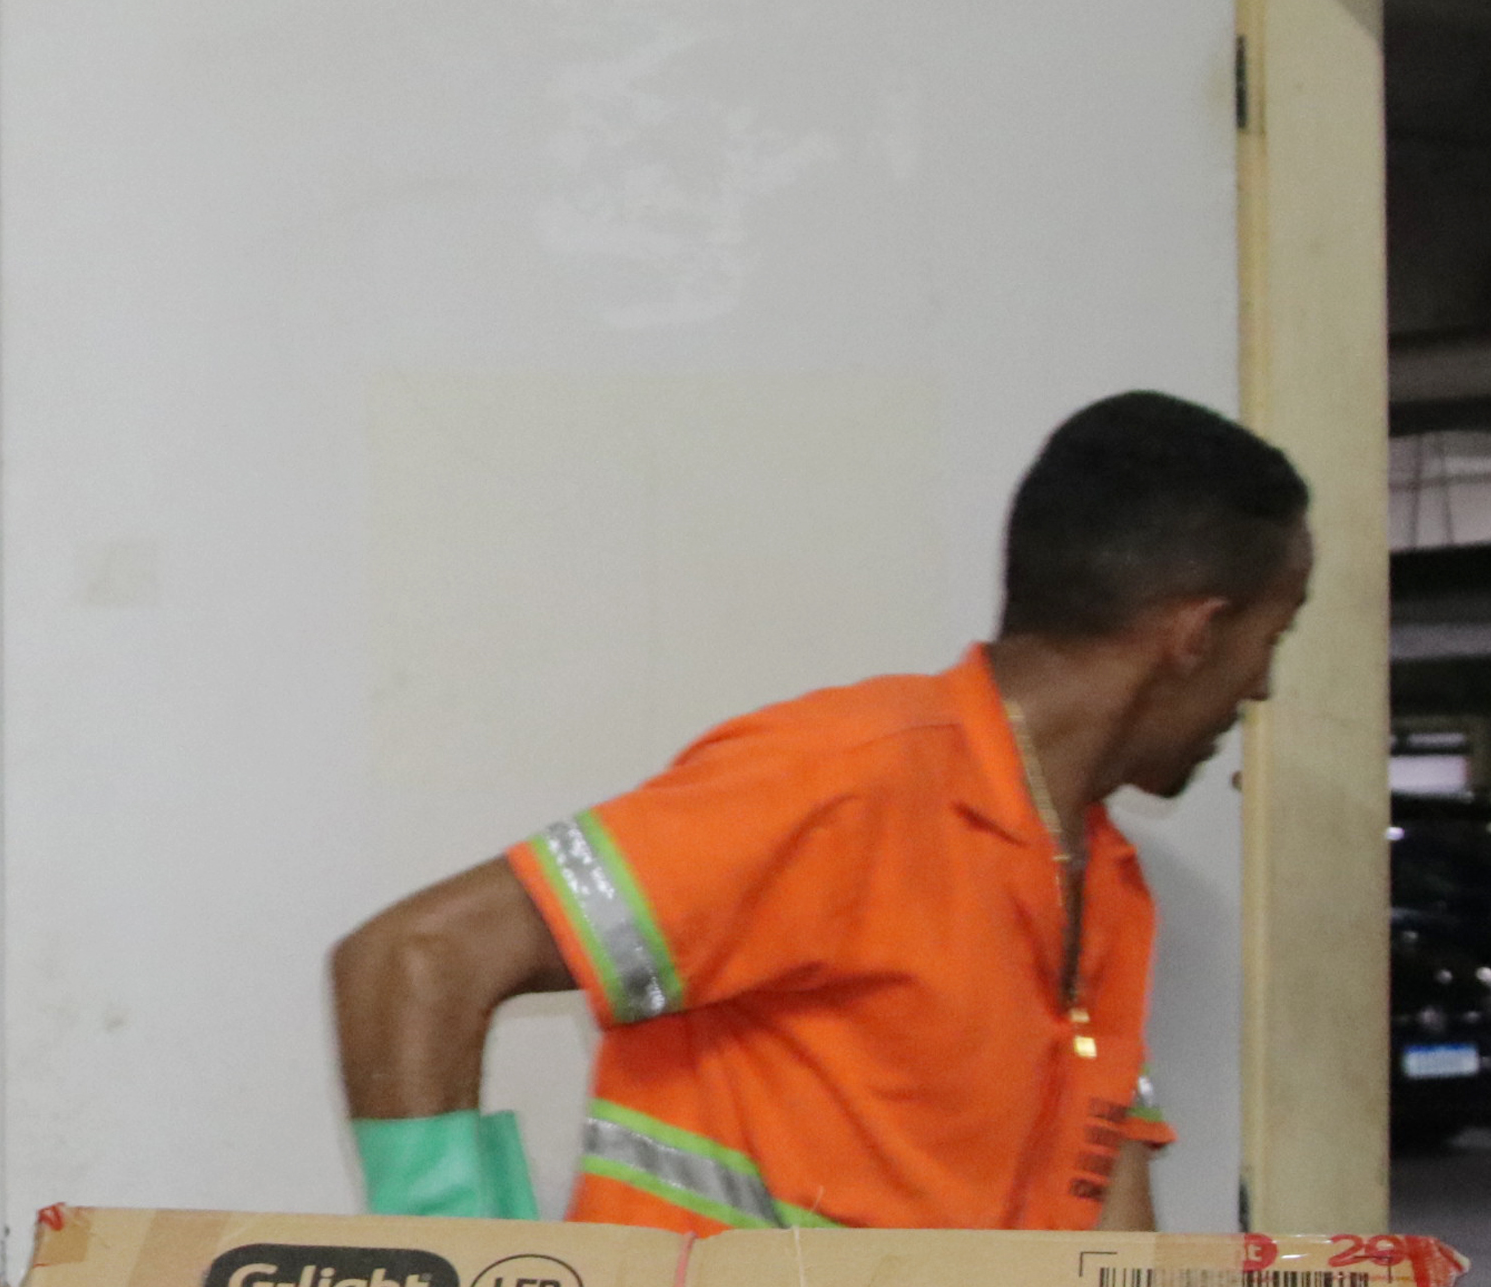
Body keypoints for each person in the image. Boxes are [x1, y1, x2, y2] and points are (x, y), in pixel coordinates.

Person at [330, 390, 1311, 1235]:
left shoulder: (1104, 885)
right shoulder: (844, 784)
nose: (1261, 686)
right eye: (1274, 636)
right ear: (1197, 632)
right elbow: (416, 958)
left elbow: (1106, 1217)